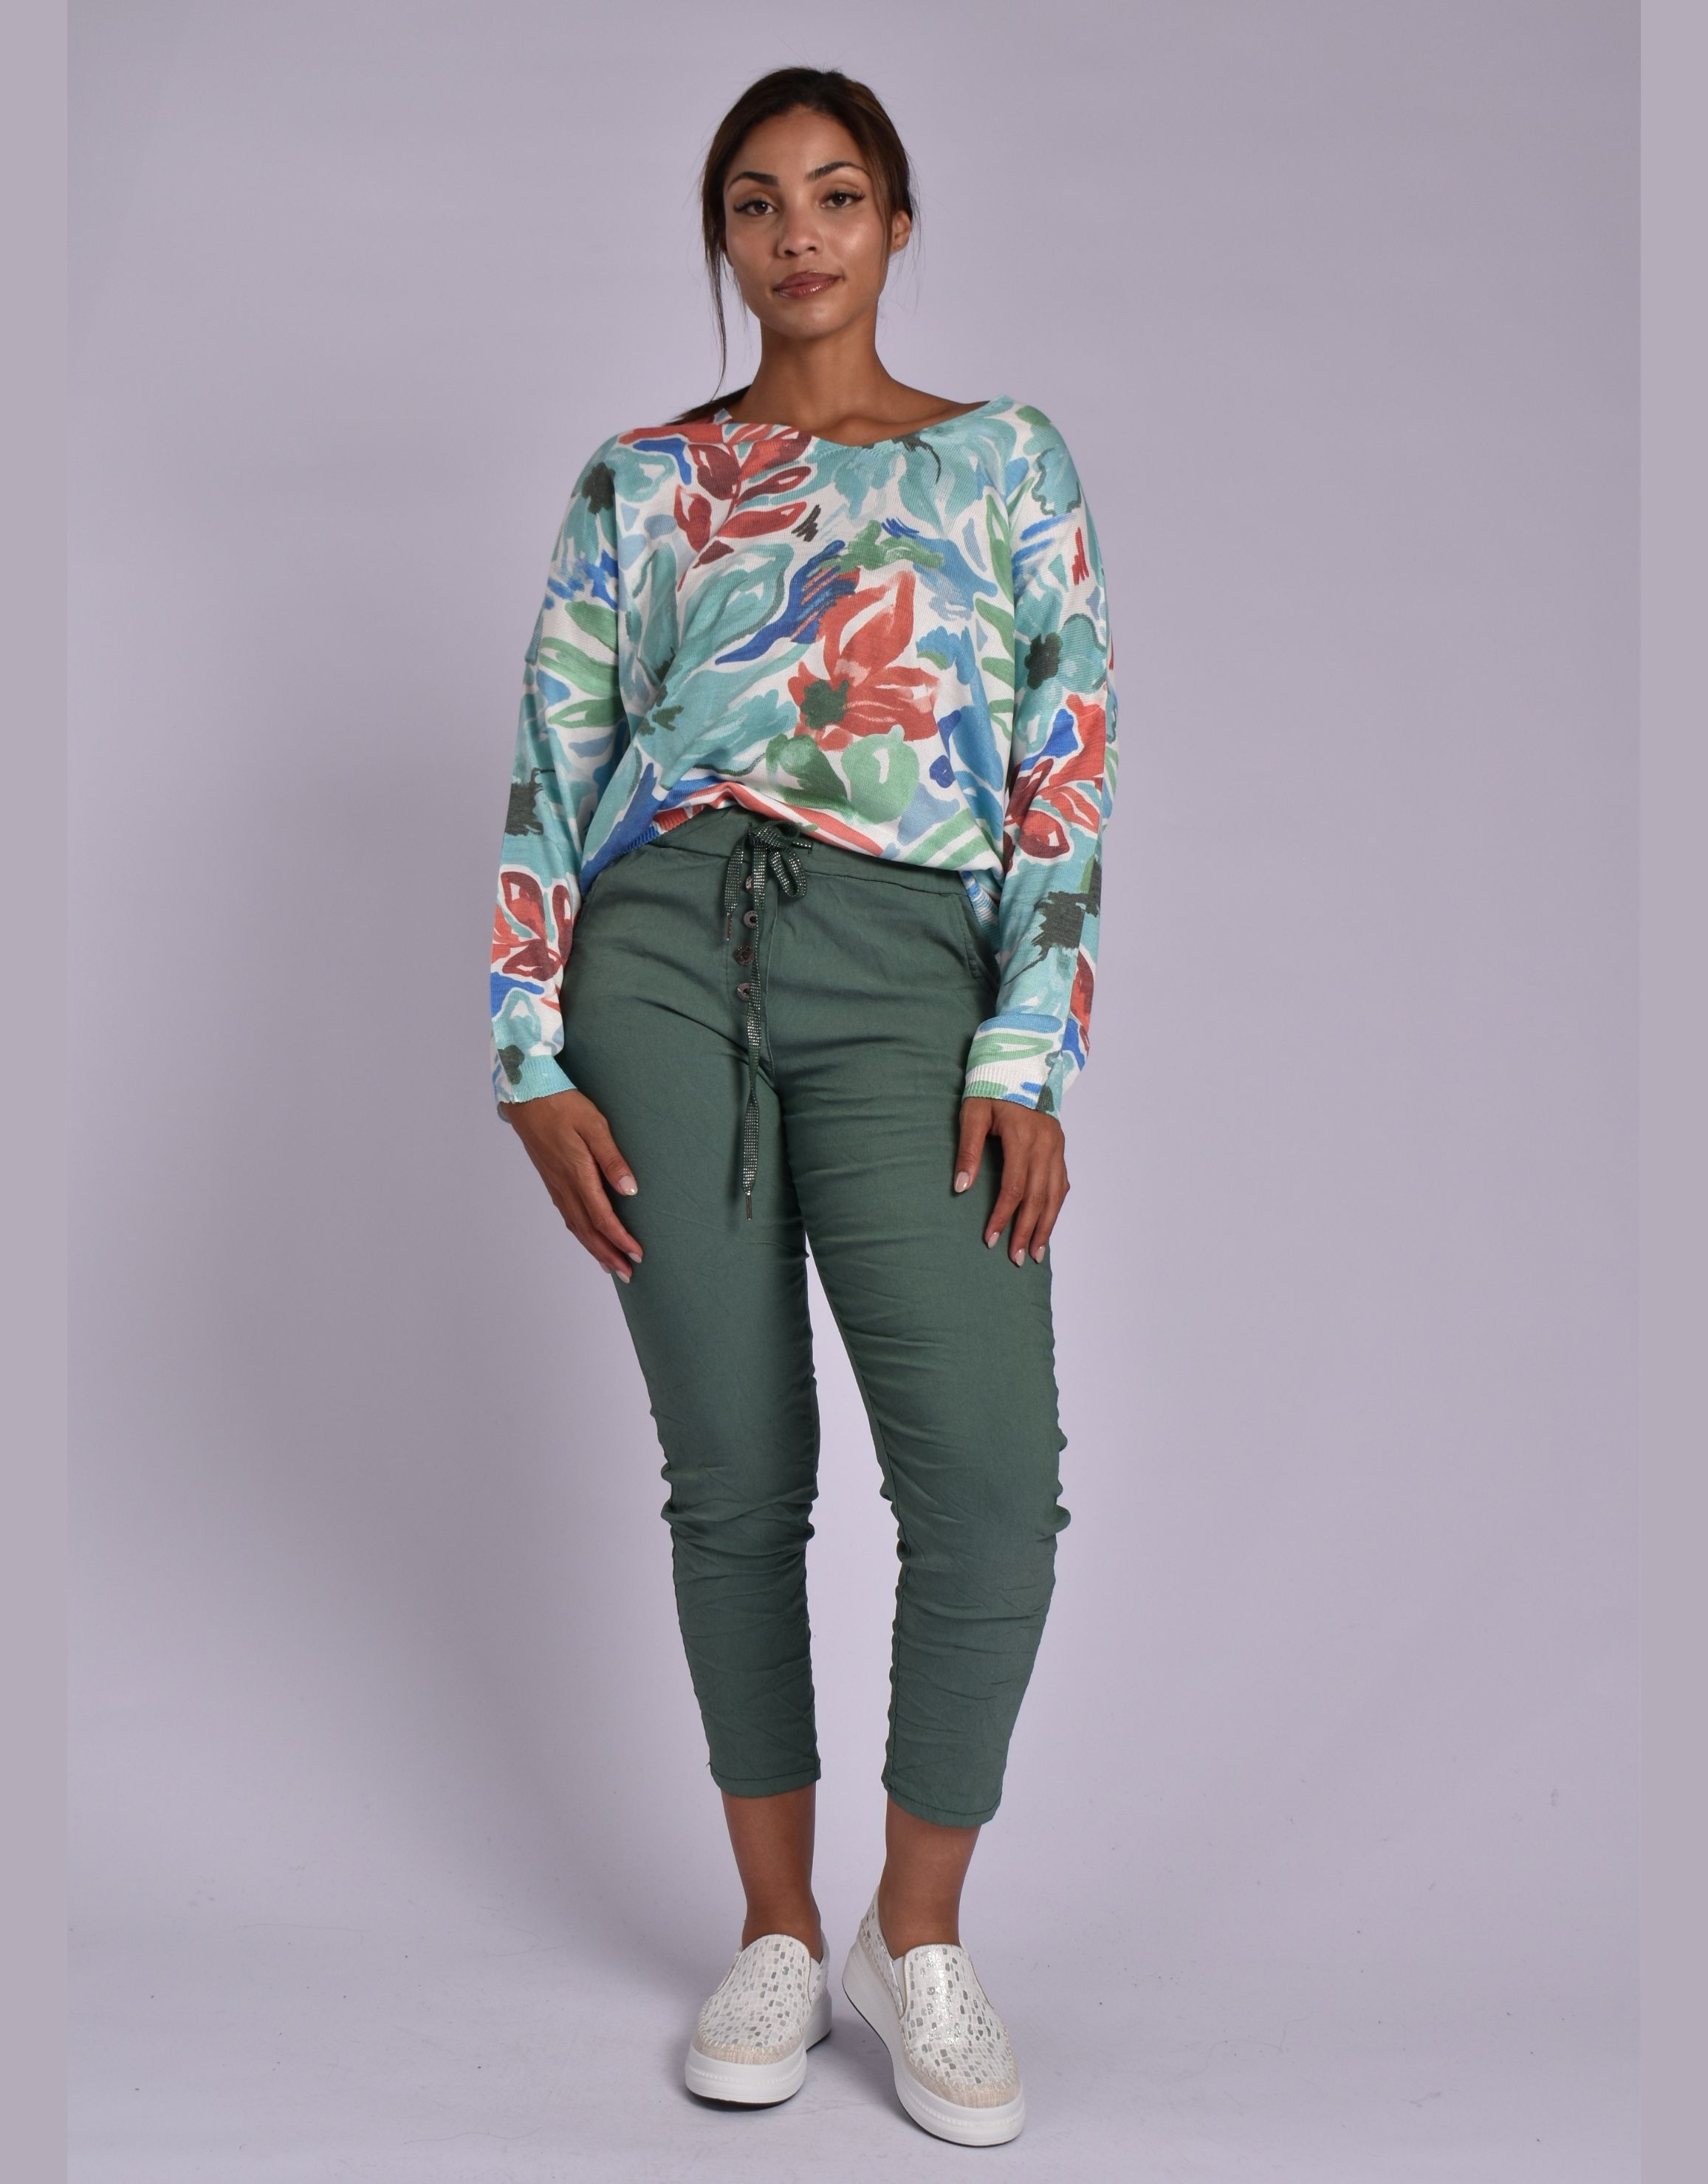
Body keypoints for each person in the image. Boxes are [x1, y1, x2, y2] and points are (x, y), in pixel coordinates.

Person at [488, 65, 1119, 2149]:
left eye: (837, 196)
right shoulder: (640, 480)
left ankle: (909, 1936)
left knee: (990, 1489)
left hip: (907, 964)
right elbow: (557, 757)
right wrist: (527, 1044)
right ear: (724, 237)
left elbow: (1064, 768)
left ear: (898, 223)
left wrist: (1025, 1053)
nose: (797, 236)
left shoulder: (1003, 460)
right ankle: (774, 1926)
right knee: (736, 1481)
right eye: (756, 202)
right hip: (659, 958)